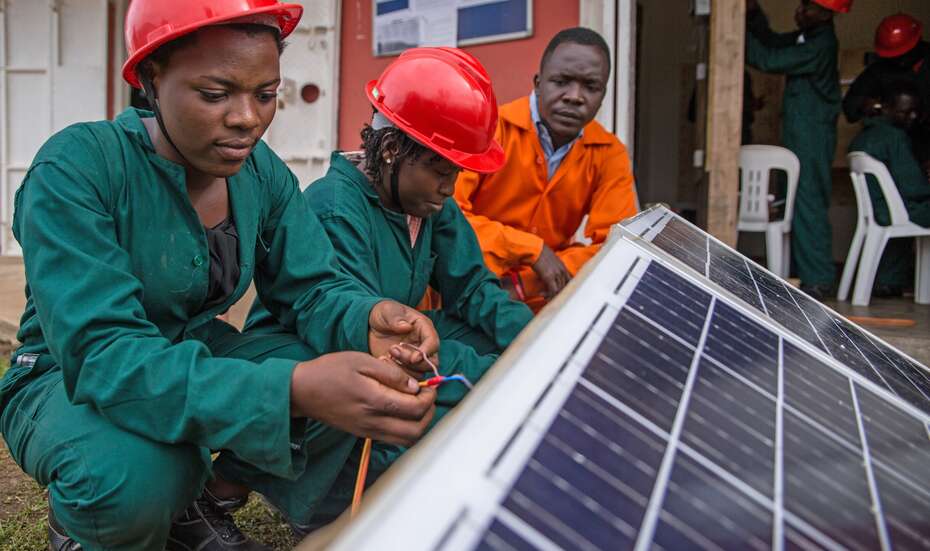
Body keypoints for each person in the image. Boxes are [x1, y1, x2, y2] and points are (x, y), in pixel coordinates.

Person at [0, 1, 444, 550]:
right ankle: (90, 523)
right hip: (65, 374)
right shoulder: (77, 169)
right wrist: (291, 390)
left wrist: (368, 317)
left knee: (344, 379)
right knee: (132, 475)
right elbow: (102, 354)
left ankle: (197, 503)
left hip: (193, 351)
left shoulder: (260, 173)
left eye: (265, 94)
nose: (247, 118)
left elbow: (311, 288)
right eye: (215, 95)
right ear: (150, 77)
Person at [244, 48, 534, 527]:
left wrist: (537, 343)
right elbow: (379, 347)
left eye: (457, 174)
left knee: (485, 339)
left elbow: (473, 289)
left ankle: (417, 448)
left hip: (392, 350)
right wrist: (499, 381)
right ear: (394, 150)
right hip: (325, 360)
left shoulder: (425, 200)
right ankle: (332, 497)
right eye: (443, 172)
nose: (450, 188)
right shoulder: (336, 209)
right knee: (445, 409)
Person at [453, 27, 637, 312]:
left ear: (603, 94)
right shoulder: (489, 129)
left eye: (590, 86)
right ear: (538, 83)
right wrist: (532, 250)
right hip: (462, 289)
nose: (575, 96)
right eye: (561, 81)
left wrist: (527, 282)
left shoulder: (610, 153)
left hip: (544, 302)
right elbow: (448, 218)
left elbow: (617, 247)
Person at [744, 0, 851, 300]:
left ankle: (818, 279)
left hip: (813, 136)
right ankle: (808, 274)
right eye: (802, 4)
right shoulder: (807, 37)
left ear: (828, 13)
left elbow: (768, 59)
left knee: (808, 202)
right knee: (797, 202)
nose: (800, 11)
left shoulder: (821, 45)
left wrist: (736, 33)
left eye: (809, 8)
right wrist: (754, 16)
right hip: (802, 135)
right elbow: (773, 42)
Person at [849, 81, 930, 296]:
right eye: (905, 112)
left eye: (915, 112)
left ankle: (890, 280)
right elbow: (915, 187)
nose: (912, 117)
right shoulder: (894, 137)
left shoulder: (863, 136)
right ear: (886, 108)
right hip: (894, 211)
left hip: (878, 209)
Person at [843, 13, 930, 164]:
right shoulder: (881, 69)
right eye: (894, 56)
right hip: (902, 146)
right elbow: (850, 104)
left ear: (917, 41)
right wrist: (871, 105)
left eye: (904, 53)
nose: (900, 60)